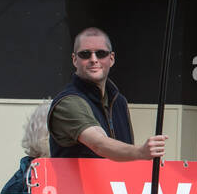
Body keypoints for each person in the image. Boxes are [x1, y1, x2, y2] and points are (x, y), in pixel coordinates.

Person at [47, 27, 166, 160]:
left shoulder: (119, 101)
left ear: (111, 58)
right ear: (75, 60)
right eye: (85, 54)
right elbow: (98, 144)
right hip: (76, 181)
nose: (94, 59)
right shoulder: (68, 102)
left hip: (117, 181)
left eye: (101, 53)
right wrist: (141, 152)